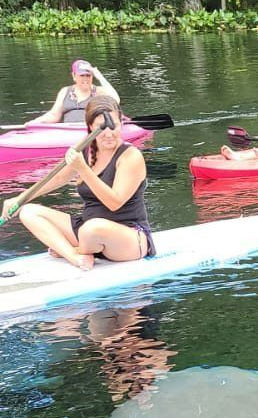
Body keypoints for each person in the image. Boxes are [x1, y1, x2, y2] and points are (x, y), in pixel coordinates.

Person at [0, 95, 154, 273]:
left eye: (114, 126)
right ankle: (76, 257)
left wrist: (83, 169)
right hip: (87, 232)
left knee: (92, 229)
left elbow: (114, 202)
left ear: (121, 124)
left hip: (127, 237)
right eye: (102, 128)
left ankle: (72, 250)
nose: (109, 133)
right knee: (29, 212)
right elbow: (58, 178)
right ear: (90, 127)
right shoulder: (86, 150)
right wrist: (19, 199)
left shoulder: (130, 156)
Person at [31, 59, 121, 125]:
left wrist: (99, 76)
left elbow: (115, 100)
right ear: (74, 76)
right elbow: (54, 115)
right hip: (69, 132)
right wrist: (36, 121)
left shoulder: (98, 91)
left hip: (89, 131)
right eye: (82, 75)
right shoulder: (65, 91)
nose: (85, 79)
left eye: (88, 75)